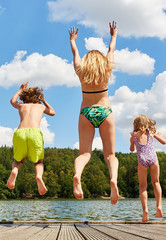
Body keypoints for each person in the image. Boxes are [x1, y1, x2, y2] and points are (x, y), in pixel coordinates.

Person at [69, 21, 120, 204]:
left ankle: (77, 175)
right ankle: (113, 179)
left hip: (86, 112)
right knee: (110, 155)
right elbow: (111, 49)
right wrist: (113, 35)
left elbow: (75, 54)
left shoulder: (81, 71)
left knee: (84, 154)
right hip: (105, 110)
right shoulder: (106, 69)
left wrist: (73, 41)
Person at [6, 81, 55, 195]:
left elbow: (12, 101)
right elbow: (53, 112)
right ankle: (38, 176)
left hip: (20, 133)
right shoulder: (40, 106)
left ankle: (15, 170)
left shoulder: (21, 105)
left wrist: (20, 89)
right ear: (37, 98)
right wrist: (44, 101)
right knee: (38, 162)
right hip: (35, 133)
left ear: (24, 97)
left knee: (18, 160)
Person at [130, 114, 166, 222]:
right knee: (156, 182)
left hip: (142, 160)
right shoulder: (151, 132)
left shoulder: (134, 135)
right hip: (153, 159)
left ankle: (145, 210)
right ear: (147, 123)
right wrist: (159, 135)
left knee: (143, 186)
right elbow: (164, 142)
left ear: (135, 124)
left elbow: (132, 149)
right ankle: (159, 206)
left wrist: (132, 141)